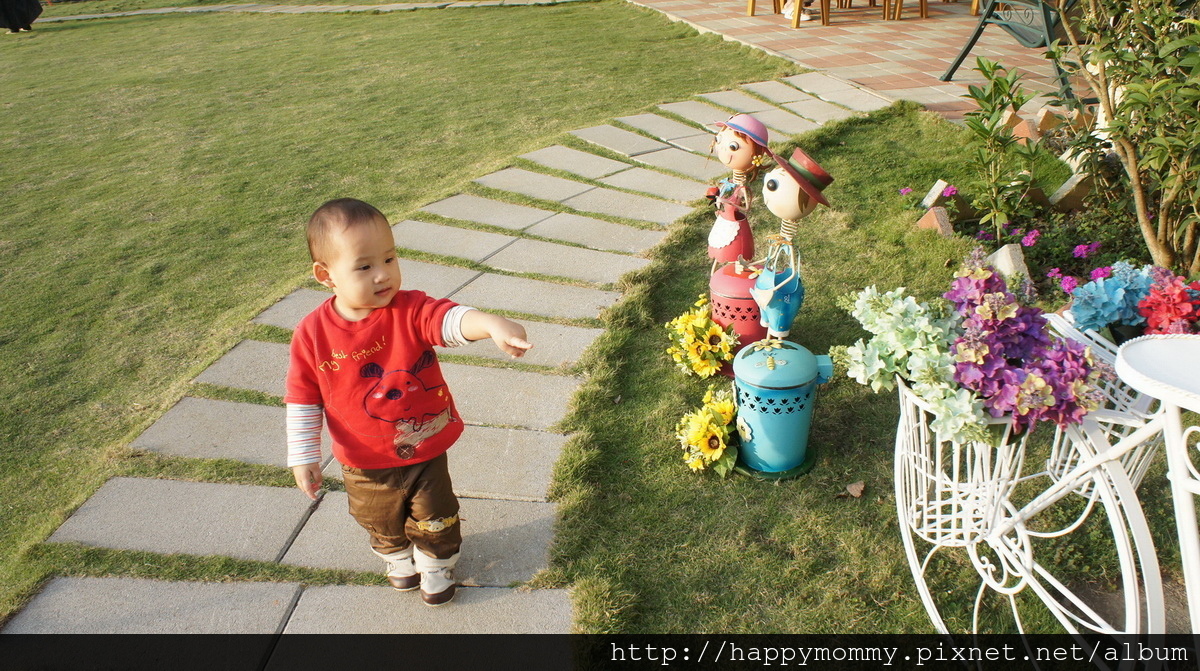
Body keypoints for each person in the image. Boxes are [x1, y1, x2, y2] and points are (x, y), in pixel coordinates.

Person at [285, 198, 533, 606]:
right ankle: (397, 556)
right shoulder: (312, 334)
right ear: (325, 275)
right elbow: (302, 398)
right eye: (364, 266)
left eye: (390, 258)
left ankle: (436, 562)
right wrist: (303, 456)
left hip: (424, 449)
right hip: (362, 462)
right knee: (377, 519)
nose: (383, 275)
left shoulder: (408, 308)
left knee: (436, 514)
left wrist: (489, 324)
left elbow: (447, 320)